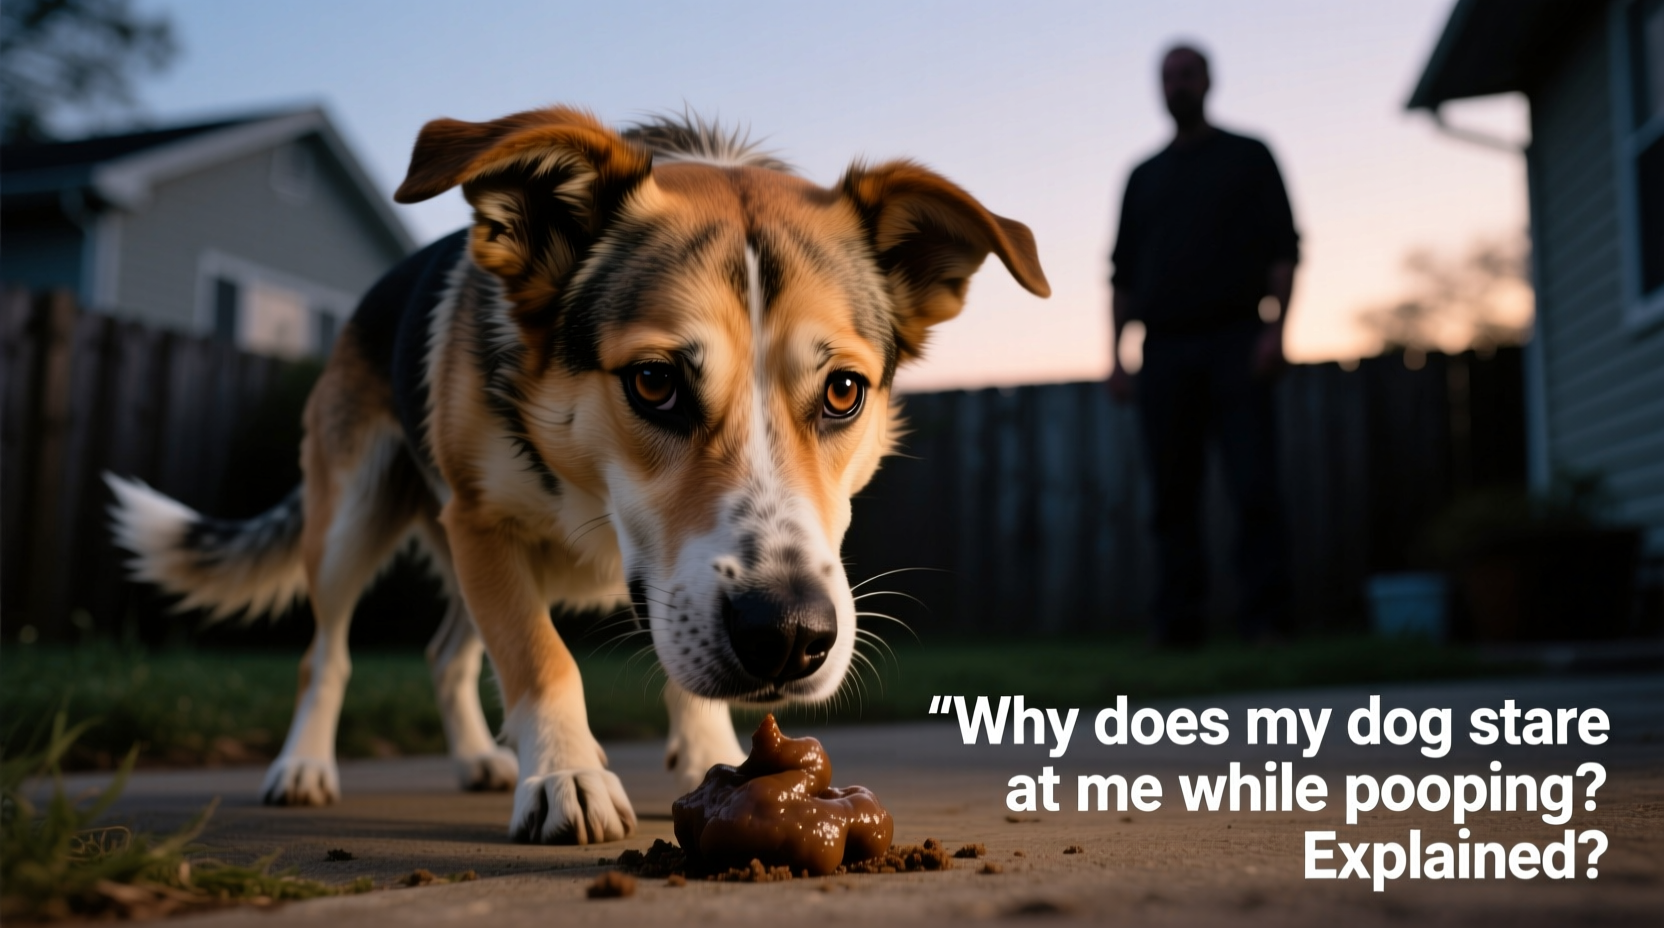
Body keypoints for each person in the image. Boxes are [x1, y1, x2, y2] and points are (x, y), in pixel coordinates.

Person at [1107, 44, 1298, 648]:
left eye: (1187, 75)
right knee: (1171, 495)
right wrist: (1116, 357)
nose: (1178, 85)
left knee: (1253, 486)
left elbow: (1285, 250)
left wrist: (1276, 332)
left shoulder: (1249, 156)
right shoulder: (1143, 177)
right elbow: (1122, 275)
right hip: (1164, 350)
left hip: (1237, 339)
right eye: (1168, 77)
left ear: (1209, 81)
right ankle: (1178, 625)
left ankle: (1265, 621)